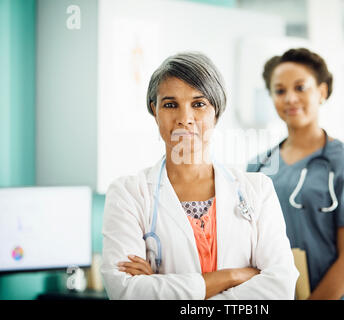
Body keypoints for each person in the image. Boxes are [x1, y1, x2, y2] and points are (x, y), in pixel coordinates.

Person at [101, 52, 299, 300]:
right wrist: (233, 276)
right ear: (155, 111)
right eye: (170, 105)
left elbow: (279, 289)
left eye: (198, 104)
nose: (185, 119)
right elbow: (126, 292)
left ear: (216, 112)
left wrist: (160, 285)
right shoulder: (128, 194)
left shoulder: (257, 189)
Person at [247, 48, 344, 300]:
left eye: (300, 88)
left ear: (321, 92)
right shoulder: (257, 167)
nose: (289, 98)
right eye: (279, 91)